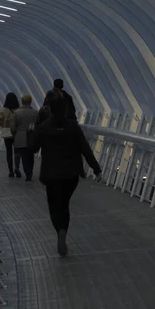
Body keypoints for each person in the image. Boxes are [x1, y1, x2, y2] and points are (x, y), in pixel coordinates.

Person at [32, 90, 102, 257]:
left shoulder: (43, 128)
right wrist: (96, 168)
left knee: (54, 205)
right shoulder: (73, 127)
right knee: (64, 204)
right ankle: (63, 230)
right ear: (64, 109)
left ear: (50, 108)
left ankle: (60, 232)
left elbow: (33, 148)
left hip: (51, 174)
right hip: (71, 174)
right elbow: (85, 148)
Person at [11, 94, 38, 181]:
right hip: (32, 137)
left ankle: (27, 173)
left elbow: (12, 127)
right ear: (30, 102)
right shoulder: (35, 113)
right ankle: (30, 171)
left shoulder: (16, 113)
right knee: (30, 156)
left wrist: (15, 134)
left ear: (22, 101)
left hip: (20, 137)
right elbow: (38, 126)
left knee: (24, 156)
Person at [0, 92, 20, 178]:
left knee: (9, 152)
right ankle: (17, 168)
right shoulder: (18, 109)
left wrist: (4, 124)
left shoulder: (3, 110)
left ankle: (10, 170)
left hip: (7, 132)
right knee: (17, 151)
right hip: (16, 132)